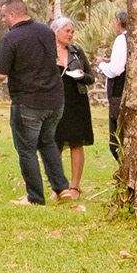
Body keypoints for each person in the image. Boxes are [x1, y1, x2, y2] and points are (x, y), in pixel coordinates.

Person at [0, 0, 73, 205]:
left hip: (28, 102)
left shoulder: (11, 38)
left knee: (26, 149)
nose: (3, 20)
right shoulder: (47, 31)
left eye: (4, 16)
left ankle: (35, 197)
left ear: (13, 15)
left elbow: (0, 74)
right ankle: (62, 189)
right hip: (54, 100)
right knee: (47, 143)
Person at [53, 15, 95, 195]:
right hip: (54, 102)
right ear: (55, 31)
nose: (70, 35)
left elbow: (91, 77)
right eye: (67, 31)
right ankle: (57, 187)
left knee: (76, 143)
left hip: (76, 102)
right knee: (55, 143)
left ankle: (75, 187)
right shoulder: (46, 51)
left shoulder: (77, 52)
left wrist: (82, 76)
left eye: (72, 32)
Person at [100, 9, 129, 161]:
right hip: (127, 95)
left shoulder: (121, 40)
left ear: (118, 22)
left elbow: (116, 69)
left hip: (119, 95)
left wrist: (102, 65)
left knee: (116, 143)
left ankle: (125, 169)